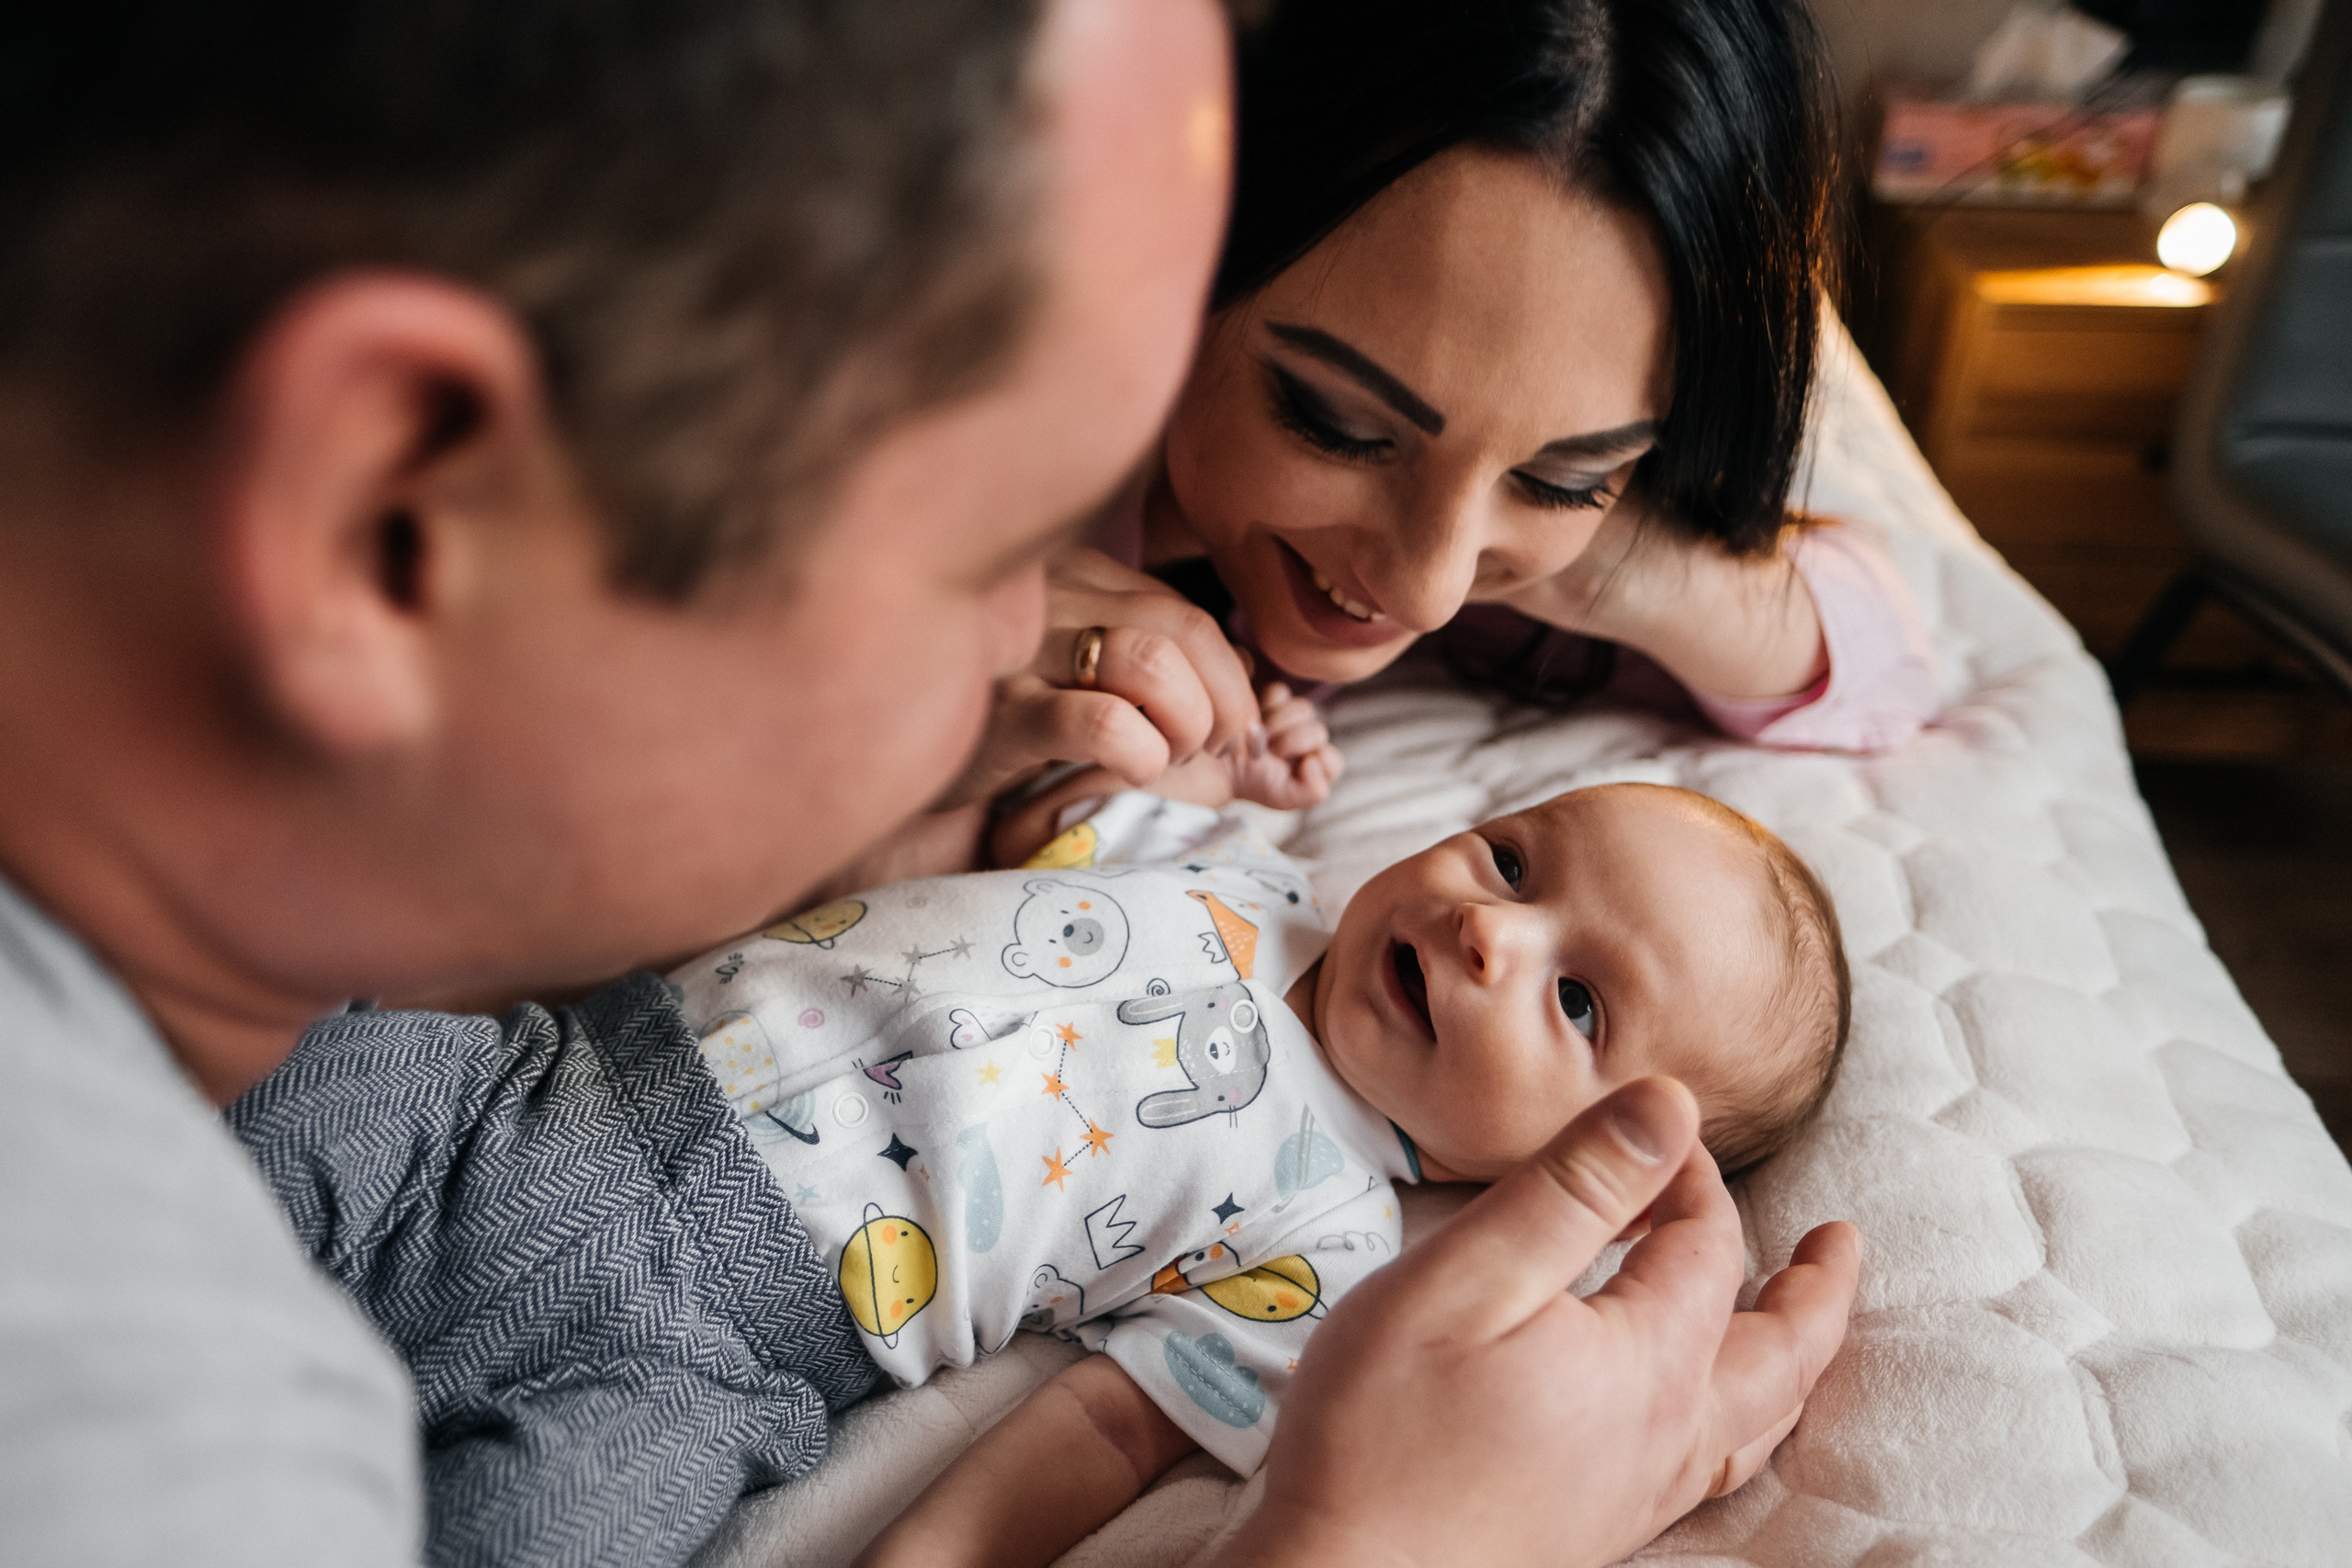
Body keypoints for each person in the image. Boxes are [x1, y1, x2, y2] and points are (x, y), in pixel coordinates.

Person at [0, 2, 1856, 1566]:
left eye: (1561, 475)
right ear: (382, 504)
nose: (1050, 649)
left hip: (715, 1340)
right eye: (997, 551)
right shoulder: (142, 1387)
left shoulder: (1323, 1233)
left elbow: (1892, 626)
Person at [641, 779, 1845, 1566]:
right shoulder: (1228, 854)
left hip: (715, 1329)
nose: (1490, 924)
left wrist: (937, 1550)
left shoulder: (1329, 1250)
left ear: (1591, 1160)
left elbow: (1109, 1429)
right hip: (586, 1061)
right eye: (1516, 860)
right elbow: (1020, 813)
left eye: (1578, 999)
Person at [940, 0, 1940, 861]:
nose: (1429, 586)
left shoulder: (1493, 553)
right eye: (1337, 424)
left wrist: (1588, 560)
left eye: (1564, 475)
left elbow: (1884, 668)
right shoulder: (945, 427)